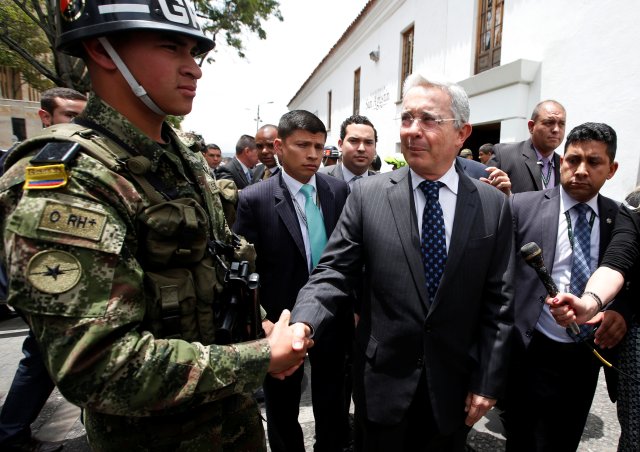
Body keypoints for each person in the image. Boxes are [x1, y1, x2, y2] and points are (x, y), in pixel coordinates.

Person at [0, 1, 309, 450]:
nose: (194, 69)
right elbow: (96, 367)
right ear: (102, 51)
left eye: (195, 53)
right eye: (170, 48)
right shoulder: (70, 181)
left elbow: (218, 267)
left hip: (233, 425)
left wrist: (259, 327)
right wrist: (259, 358)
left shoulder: (185, 161)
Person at [289, 73, 515, 451]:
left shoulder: (492, 205)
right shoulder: (367, 195)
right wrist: (303, 323)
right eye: (407, 118)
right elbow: (333, 271)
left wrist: (488, 379)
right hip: (382, 383)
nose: (412, 130)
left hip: (454, 388)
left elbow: (500, 300)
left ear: (462, 133)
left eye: (428, 119)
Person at [505, 122, 628, 451]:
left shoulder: (620, 218)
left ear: (612, 169)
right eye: (573, 160)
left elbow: (628, 276)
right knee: (522, 440)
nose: (581, 170)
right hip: (530, 350)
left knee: (564, 439)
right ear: (561, 162)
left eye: (594, 162)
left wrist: (616, 311)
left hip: (584, 356)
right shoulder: (521, 207)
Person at [234, 110, 350, 452]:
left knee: (334, 399)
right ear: (279, 146)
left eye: (319, 146)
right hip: (281, 323)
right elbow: (244, 270)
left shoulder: (338, 191)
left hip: (333, 316)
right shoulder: (254, 198)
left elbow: (350, 255)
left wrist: (353, 305)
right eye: (303, 145)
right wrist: (264, 320)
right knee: (283, 404)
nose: (313, 155)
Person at [0, 86, 86, 452]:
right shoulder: (39, 163)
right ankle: (10, 435)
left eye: (83, 117)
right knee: (43, 361)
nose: (77, 125)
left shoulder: (81, 157)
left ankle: (11, 433)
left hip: (71, 285)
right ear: (45, 117)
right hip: (46, 287)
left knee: (48, 360)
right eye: (70, 116)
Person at [488, 100, 566, 193]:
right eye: (549, 122)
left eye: (561, 124)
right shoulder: (504, 155)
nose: (556, 129)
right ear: (531, 126)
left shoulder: (565, 165)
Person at [319, 115, 378, 188]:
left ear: (375, 146)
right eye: (353, 141)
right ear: (340, 145)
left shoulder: (384, 184)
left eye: (368, 142)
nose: (361, 148)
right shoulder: (318, 178)